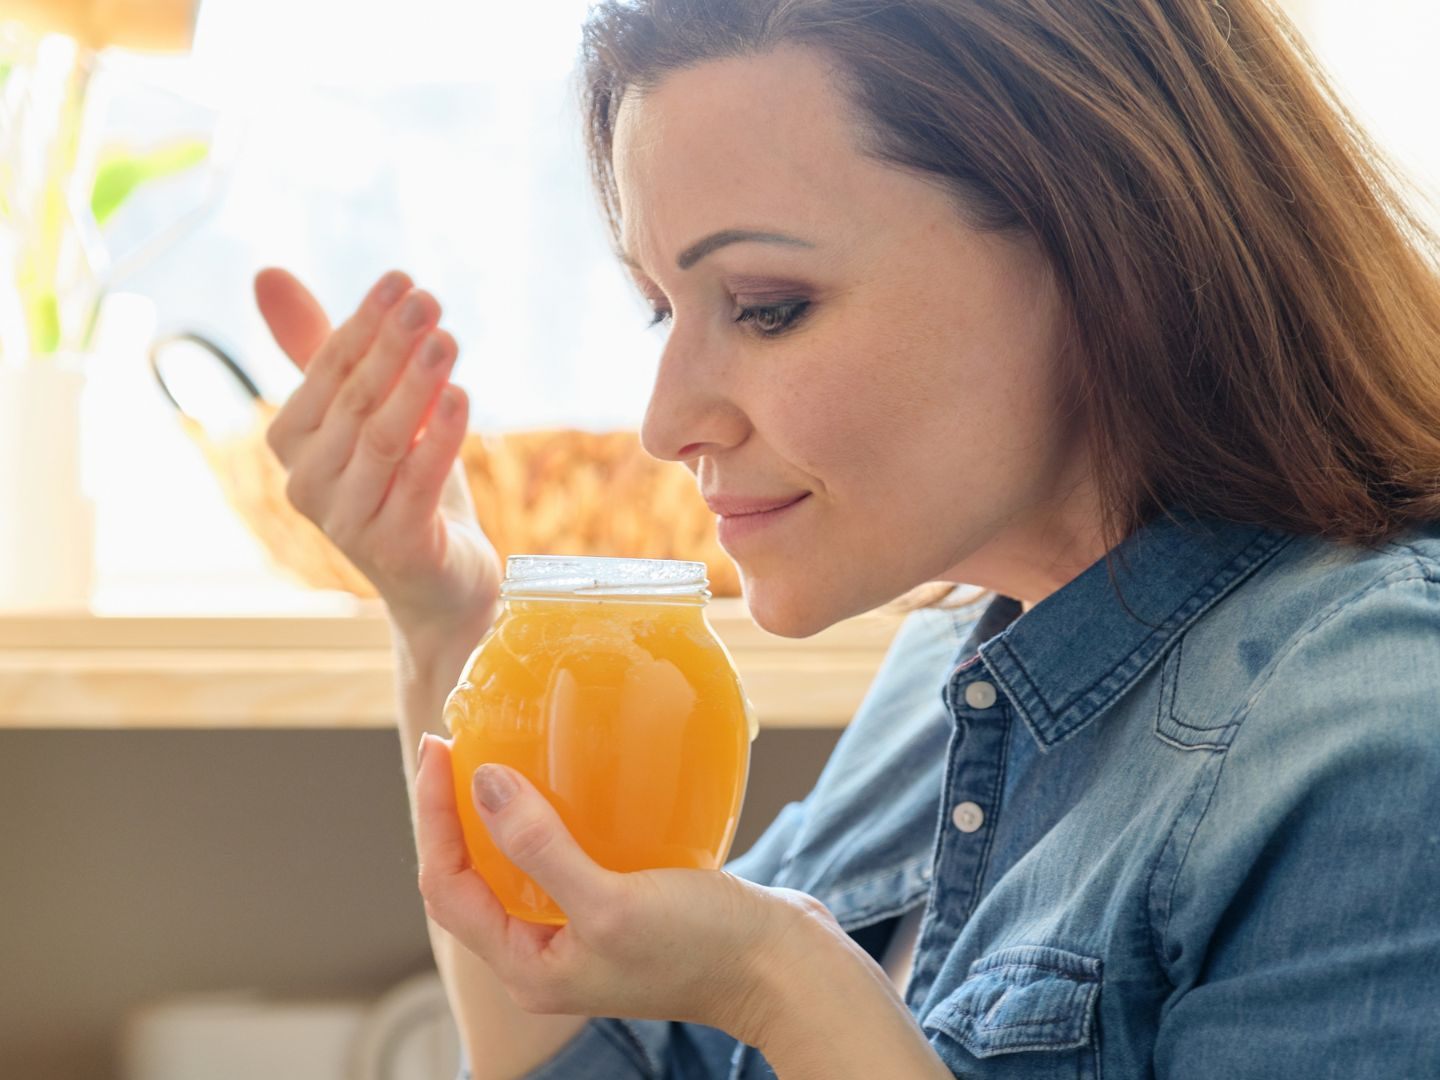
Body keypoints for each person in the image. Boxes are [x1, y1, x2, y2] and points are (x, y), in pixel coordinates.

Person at [253, 0, 1440, 1075]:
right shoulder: (949, 680)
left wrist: (785, 987)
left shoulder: (1375, 733)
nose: (667, 423)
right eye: (665, 309)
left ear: (1104, 249)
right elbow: (590, 1066)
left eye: (769, 308)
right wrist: (443, 617)